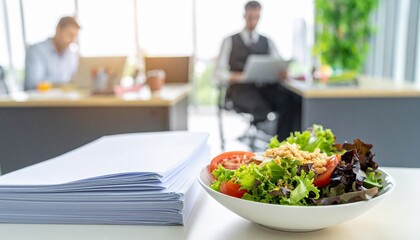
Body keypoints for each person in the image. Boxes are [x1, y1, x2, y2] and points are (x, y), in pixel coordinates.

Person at [214, 1, 299, 141]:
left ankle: (284, 143)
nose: (253, 21)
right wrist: (235, 76)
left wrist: (282, 73)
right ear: (244, 15)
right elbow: (217, 74)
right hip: (240, 91)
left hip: (264, 88)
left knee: (291, 100)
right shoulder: (230, 41)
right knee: (261, 107)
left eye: (256, 17)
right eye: (250, 17)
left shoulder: (267, 41)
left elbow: (279, 63)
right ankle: (265, 135)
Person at [24, 16, 80, 90]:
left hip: (65, 99)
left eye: (75, 36)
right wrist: (61, 86)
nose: (72, 40)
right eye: (69, 35)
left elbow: (73, 80)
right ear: (58, 30)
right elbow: (33, 84)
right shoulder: (36, 50)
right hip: (40, 99)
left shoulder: (70, 54)